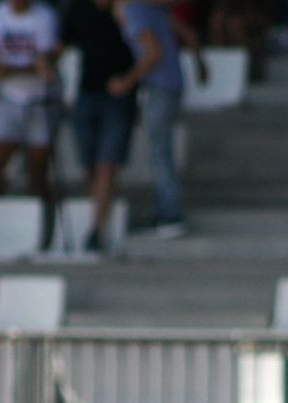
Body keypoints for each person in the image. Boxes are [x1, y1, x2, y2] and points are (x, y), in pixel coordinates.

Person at [61, 0, 138, 252]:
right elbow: (62, 43)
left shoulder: (128, 9)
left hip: (118, 98)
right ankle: (100, 213)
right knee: (89, 165)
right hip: (87, 94)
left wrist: (129, 81)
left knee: (107, 163)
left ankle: (96, 228)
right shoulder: (80, 9)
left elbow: (149, 46)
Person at [0, 0, 62, 203]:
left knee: (38, 168)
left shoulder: (44, 16)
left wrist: (8, 70)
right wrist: (15, 70)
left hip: (40, 100)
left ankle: (40, 214)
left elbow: (45, 62)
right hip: (8, 97)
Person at [116, 0, 189, 238]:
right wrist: (199, 61)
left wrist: (127, 81)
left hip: (160, 86)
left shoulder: (133, 10)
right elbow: (186, 32)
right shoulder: (151, 8)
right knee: (160, 150)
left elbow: (153, 53)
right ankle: (165, 210)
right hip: (170, 83)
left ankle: (170, 215)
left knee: (159, 152)